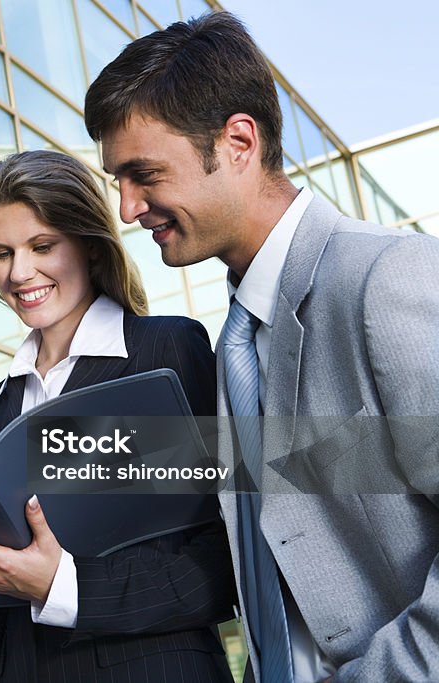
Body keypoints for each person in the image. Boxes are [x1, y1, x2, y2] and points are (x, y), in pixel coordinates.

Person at [85, 11, 439, 683]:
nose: (128, 207)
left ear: (239, 142)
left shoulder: (386, 279)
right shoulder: (237, 343)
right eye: (118, 182)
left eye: (144, 174)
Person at [0, 150, 236, 682]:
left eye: (42, 246)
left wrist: (62, 586)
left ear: (87, 243)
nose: (19, 273)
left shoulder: (165, 353)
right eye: (0, 253)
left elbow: (227, 557)